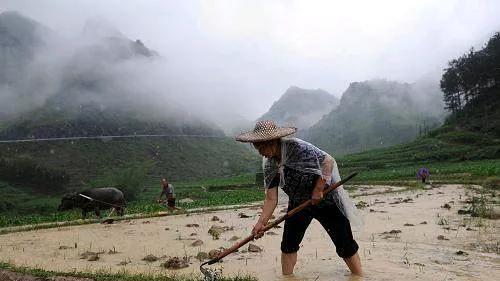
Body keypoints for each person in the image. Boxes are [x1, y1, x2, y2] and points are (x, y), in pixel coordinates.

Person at [235, 120, 362, 276]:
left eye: (261, 146)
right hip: (298, 204)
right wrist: (261, 223)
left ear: (273, 141)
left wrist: (318, 189)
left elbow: (328, 161)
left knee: (345, 244)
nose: (259, 151)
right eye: (256, 146)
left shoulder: (297, 148)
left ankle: (360, 277)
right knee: (288, 244)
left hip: (327, 200)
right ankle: (287, 278)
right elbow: (271, 199)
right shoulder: (269, 165)